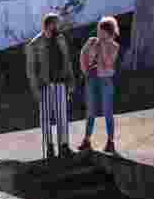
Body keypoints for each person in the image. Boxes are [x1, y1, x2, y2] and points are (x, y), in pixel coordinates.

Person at [26, 11, 76, 159]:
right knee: (46, 118)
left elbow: (67, 61)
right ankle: (49, 148)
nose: (58, 26)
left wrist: (71, 80)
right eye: (57, 24)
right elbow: (31, 69)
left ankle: (64, 146)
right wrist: (35, 90)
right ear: (49, 25)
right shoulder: (35, 43)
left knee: (62, 116)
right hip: (45, 85)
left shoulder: (60, 39)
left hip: (60, 83)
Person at [78, 16, 121, 155]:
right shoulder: (91, 41)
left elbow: (108, 63)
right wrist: (84, 69)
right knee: (90, 110)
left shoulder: (114, 46)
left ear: (108, 32)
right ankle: (87, 140)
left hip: (105, 79)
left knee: (107, 111)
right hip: (91, 79)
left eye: (102, 31)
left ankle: (110, 142)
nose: (99, 34)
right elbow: (82, 54)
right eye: (98, 31)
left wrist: (103, 46)